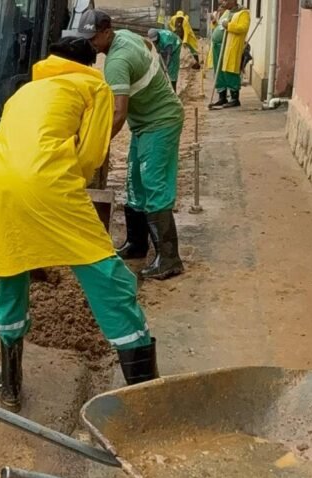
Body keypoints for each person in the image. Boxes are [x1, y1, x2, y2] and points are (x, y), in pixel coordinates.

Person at [0, 36, 160, 411]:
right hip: (47, 183)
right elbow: (92, 154)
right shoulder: (94, 86)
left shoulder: (25, 91)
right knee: (109, 277)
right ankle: (145, 393)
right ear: (90, 64)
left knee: (11, 273)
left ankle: (9, 383)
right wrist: (67, 181)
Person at [73, 10, 186, 281]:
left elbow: (118, 113)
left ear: (107, 31)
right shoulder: (125, 36)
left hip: (161, 122)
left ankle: (169, 258)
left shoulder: (117, 61)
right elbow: (148, 47)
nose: (90, 44)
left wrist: (96, 146)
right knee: (134, 182)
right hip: (145, 123)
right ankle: (137, 244)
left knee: (153, 183)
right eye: (86, 38)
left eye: (94, 38)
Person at [209, 0, 250, 109]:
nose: (222, 2)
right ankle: (222, 97)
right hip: (218, 46)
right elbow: (220, 27)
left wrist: (229, 25)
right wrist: (214, 23)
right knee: (219, 71)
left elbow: (243, 28)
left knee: (230, 70)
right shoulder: (227, 12)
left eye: (224, 0)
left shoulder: (243, 13)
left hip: (230, 46)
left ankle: (234, 98)